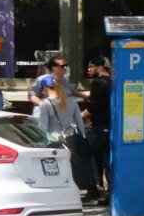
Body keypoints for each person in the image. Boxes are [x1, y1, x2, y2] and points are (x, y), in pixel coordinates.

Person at [35, 74, 98, 202]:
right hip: (71, 138)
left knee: (56, 170)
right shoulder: (72, 101)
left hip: (54, 141)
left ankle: (59, 196)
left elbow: (43, 127)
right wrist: (81, 138)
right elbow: (80, 123)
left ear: (46, 88)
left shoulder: (45, 104)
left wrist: (40, 143)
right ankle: (82, 191)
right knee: (73, 166)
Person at [84, 56, 113, 199]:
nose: (88, 69)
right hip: (111, 126)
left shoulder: (98, 82)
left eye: (91, 66)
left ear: (100, 67)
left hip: (99, 126)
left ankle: (96, 188)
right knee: (108, 160)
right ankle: (110, 192)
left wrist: (78, 116)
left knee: (91, 158)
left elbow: (93, 107)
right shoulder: (112, 82)